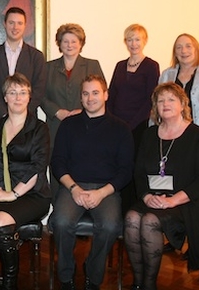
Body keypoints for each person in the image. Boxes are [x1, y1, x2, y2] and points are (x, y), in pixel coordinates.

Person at [124, 83, 199, 290]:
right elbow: (139, 173)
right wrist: (146, 196)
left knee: (149, 221)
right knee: (131, 218)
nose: (165, 104)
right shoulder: (149, 134)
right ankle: (138, 283)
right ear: (155, 107)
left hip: (185, 201)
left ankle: (149, 285)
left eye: (171, 99)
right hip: (153, 196)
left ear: (183, 103)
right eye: (160, 100)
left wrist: (173, 200)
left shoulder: (196, 135)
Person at [49, 75, 134, 290]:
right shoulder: (68, 125)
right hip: (72, 187)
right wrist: (74, 188)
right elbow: (57, 163)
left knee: (110, 225)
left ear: (106, 95)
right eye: (85, 93)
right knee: (60, 222)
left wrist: (101, 193)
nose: (90, 98)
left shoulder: (121, 128)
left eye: (95, 92)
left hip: (106, 190)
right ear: (81, 98)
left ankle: (93, 273)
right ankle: (66, 275)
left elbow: (126, 170)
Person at [0, 73, 51, 290]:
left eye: (22, 93)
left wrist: (12, 194)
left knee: (1, 221)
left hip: (31, 194)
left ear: (29, 97)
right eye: (12, 92)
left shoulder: (39, 128)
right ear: (5, 97)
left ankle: (9, 282)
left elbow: (37, 168)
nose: (17, 97)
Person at [41, 23, 104, 196]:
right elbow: (40, 95)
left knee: (83, 163)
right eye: (65, 41)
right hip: (55, 126)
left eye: (74, 41)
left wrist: (82, 111)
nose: (69, 45)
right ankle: (57, 208)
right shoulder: (48, 67)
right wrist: (56, 111)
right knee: (56, 164)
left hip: (85, 125)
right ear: (59, 44)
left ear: (81, 43)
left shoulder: (92, 65)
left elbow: (101, 93)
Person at [107, 23, 159, 213]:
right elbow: (111, 95)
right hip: (117, 127)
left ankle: (134, 211)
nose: (133, 43)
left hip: (139, 127)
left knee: (135, 167)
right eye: (130, 39)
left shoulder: (151, 66)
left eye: (137, 39)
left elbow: (150, 100)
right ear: (125, 42)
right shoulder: (120, 66)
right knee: (119, 167)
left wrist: (130, 126)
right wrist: (111, 121)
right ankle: (118, 212)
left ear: (144, 41)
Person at [0, 7, 46, 122]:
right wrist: (4, 113)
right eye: (11, 23)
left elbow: (39, 89)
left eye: (19, 23)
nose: (15, 27)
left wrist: (24, 113)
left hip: (28, 119)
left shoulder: (36, 56)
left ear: (25, 25)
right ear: (5, 24)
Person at [158, 33, 199, 145]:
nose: (184, 51)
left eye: (188, 46)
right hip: (171, 135)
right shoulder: (166, 75)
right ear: (175, 52)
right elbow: (157, 105)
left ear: (196, 50)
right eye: (179, 47)